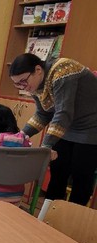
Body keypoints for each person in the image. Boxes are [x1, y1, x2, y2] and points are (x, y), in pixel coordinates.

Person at [9, 53, 97, 207]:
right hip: (66, 128)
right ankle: (49, 215)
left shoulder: (63, 70)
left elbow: (63, 112)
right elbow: (43, 114)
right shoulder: (36, 85)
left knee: (81, 178)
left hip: (91, 129)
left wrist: (47, 145)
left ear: (38, 70)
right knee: (57, 174)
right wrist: (22, 135)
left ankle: (73, 219)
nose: (23, 87)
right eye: (18, 84)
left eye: (23, 81)